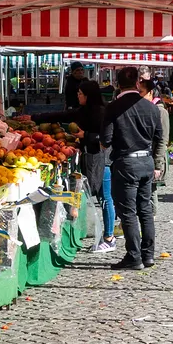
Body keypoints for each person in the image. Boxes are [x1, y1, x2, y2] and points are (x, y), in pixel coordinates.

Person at [101, 66, 165, 270]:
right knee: (145, 209)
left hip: (125, 163)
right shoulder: (152, 107)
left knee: (128, 212)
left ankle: (134, 256)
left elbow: (106, 140)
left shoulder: (113, 107)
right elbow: (159, 137)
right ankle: (148, 255)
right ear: (138, 83)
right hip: (146, 161)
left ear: (118, 84)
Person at [41, 80, 113, 251]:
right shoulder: (84, 111)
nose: (78, 95)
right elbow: (62, 115)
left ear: (88, 95)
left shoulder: (102, 113)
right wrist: (35, 117)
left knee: (105, 198)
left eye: (80, 93)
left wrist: (85, 135)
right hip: (90, 158)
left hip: (103, 160)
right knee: (101, 197)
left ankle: (109, 237)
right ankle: (106, 235)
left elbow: (106, 138)